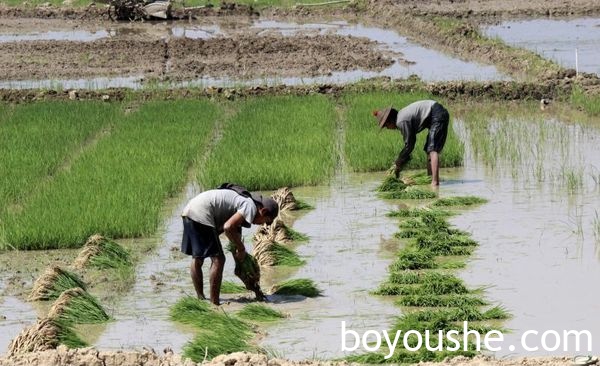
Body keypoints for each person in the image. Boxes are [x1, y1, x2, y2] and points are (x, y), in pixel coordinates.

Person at [181, 184, 279, 305]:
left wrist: (243, 268)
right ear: (263, 211)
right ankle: (215, 304)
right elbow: (228, 227)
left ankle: (201, 299)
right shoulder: (250, 206)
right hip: (202, 213)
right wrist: (242, 250)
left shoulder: (242, 204)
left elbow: (234, 241)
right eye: (265, 222)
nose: (261, 225)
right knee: (219, 259)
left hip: (190, 210)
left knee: (198, 258)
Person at [373, 100, 450, 186]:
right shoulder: (401, 118)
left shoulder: (401, 121)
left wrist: (398, 162)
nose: (388, 128)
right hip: (435, 114)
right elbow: (410, 142)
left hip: (437, 113)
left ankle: (435, 182)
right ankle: (430, 178)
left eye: (386, 126)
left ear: (389, 121)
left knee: (432, 149)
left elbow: (409, 144)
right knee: (429, 150)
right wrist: (400, 161)